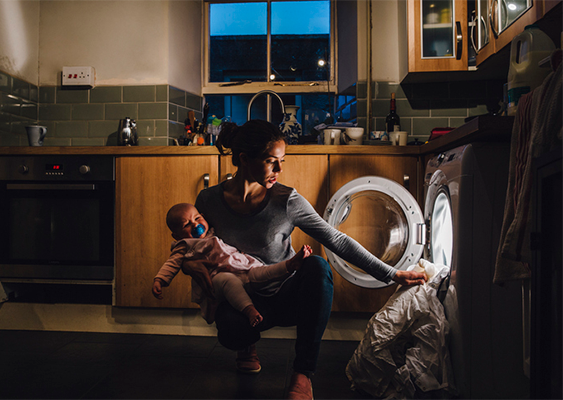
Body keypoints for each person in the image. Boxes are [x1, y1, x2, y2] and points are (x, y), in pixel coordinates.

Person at [183, 119, 427, 400]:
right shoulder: (208, 200)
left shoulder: (286, 200)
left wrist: (392, 274)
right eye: (270, 161)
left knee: (317, 267)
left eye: (282, 161)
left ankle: (302, 374)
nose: (280, 169)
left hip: (287, 295)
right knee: (230, 332)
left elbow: (336, 239)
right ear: (243, 159)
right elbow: (192, 244)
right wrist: (189, 264)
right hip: (243, 300)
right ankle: (246, 344)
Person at [152, 202, 313, 329]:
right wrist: (160, 280)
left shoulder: (212, 232)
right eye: (186, 225)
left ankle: (290, 265)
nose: (195, 225)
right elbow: (172, 263)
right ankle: (249, 310)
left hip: (240, 266)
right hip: (217, 277)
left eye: (197, 218)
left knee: (261, 272)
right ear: (176, 235)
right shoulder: (184, 245)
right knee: (229, 282)